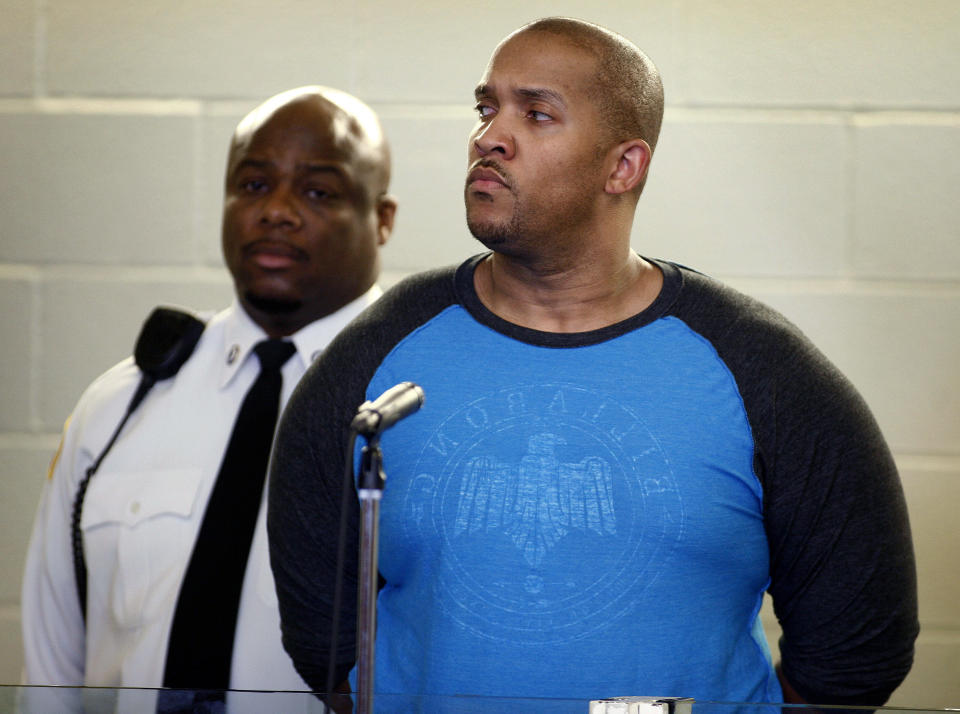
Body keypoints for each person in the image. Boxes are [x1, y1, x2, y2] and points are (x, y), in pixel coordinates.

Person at [267, 18, 919, 709]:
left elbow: (858, 648)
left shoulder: (760, 367)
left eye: (537, 112)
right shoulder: (382, 349)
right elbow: (324, 633)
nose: (489, 137)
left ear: (622, 167)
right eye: (487, 108)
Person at [21, 85, 396, 711]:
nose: (276, 211)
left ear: (382, 219)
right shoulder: (121, 404)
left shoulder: (414, 405)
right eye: (252, 185)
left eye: (318, 191)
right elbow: (52, 658)